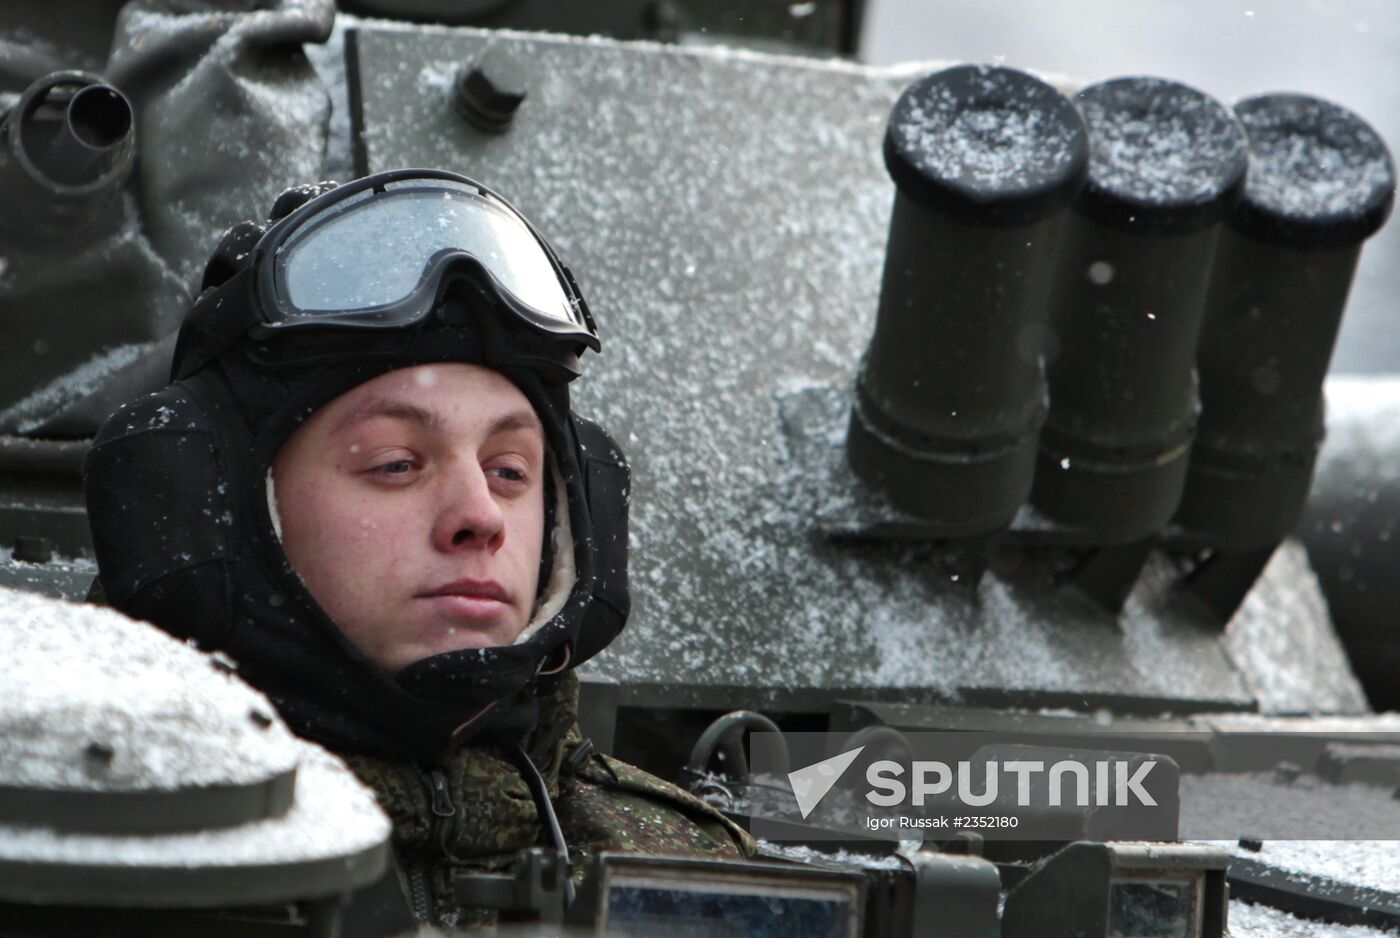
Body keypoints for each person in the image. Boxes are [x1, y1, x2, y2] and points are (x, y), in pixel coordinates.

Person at [83, 169, 753, 928]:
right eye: (396, 463)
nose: (480, 517)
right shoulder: (74, 860)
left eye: (510, 471)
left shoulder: (686, 872)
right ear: (227, 510)